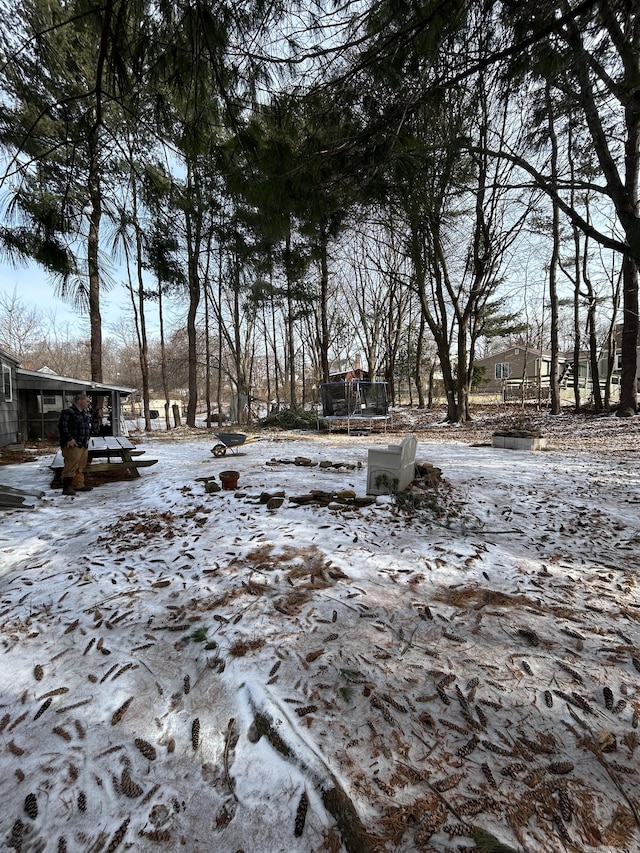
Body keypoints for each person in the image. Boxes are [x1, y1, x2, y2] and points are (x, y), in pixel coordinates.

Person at [58, 393, 93, 495]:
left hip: (83, 444)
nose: (88, 403)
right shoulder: (68, 412)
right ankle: (67, 487)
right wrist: (69, 439)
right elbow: (62, 427)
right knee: (71, 466)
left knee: (80, 466)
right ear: (80, 401)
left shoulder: (84, 413)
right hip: (73, 444)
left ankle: (78, 485)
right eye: (87, 401)